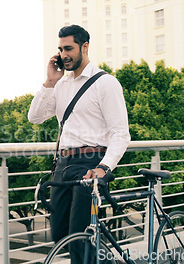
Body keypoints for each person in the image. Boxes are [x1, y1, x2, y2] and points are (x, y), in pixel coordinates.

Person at [28, 24, 130, 259]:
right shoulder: (61, 85)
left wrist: (104, 168)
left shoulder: (105, 83)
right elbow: (35, 117)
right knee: (61, 234)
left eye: (69, 48)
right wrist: (49, 82)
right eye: (60, 49)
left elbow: (120, 134)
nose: (64, 55)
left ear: (85, 47)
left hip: (90, 165)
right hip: (62, 166)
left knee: (80, 236)